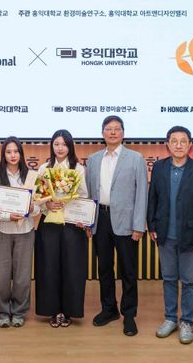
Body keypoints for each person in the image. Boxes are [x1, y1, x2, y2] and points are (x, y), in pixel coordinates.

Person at [147, 126, 193, 344]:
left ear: (190, 145)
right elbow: (153, 198)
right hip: (165, 234)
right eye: (174, 141)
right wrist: (152, 225)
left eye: (183, 141)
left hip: (190, 236)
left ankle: (186, 321)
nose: (178, 145)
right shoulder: (159, 167)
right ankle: (170, 318)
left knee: (188, 281)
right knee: (168, 279)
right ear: (167, 144)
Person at [86, 115, 148, 337]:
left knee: (128, 270)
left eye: (117, 129)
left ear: (123, 133)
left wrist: (138, 225)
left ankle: (129, 314)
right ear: (102, 133)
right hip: (100, 219)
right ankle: (109, 309)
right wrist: (89, 221)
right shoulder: (93, 160)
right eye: (108, 129)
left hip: (126, 222)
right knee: (104, 268)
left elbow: (142, 193)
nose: (112, 132)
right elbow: (89, 193)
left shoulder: (135, 158)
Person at [34, 129, 88, 328]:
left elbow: (84, 195)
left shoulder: (79, 169)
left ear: (70, 146)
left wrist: (70, 206)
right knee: (49, 267)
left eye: (64, 144)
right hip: (49, 224)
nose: (60, 148)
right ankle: (53, 310)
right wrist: (47, 204)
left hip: (72, 225)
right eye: (56, 144)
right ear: (52, 146)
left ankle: (69, 311)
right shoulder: (44, 168)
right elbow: (37, 197)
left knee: (72, 268)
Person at [0, 137, 39, 328]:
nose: (13, 155)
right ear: (3, 155)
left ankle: (19, 312)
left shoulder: (31, 176)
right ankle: (1, 311)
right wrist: (8, 216)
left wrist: (31, 209)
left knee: (23, 275)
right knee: (1, 274)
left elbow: (39, 205)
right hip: (1, 230)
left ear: (21, 154)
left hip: (25, 230)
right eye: (9, 152)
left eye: (16, 151)